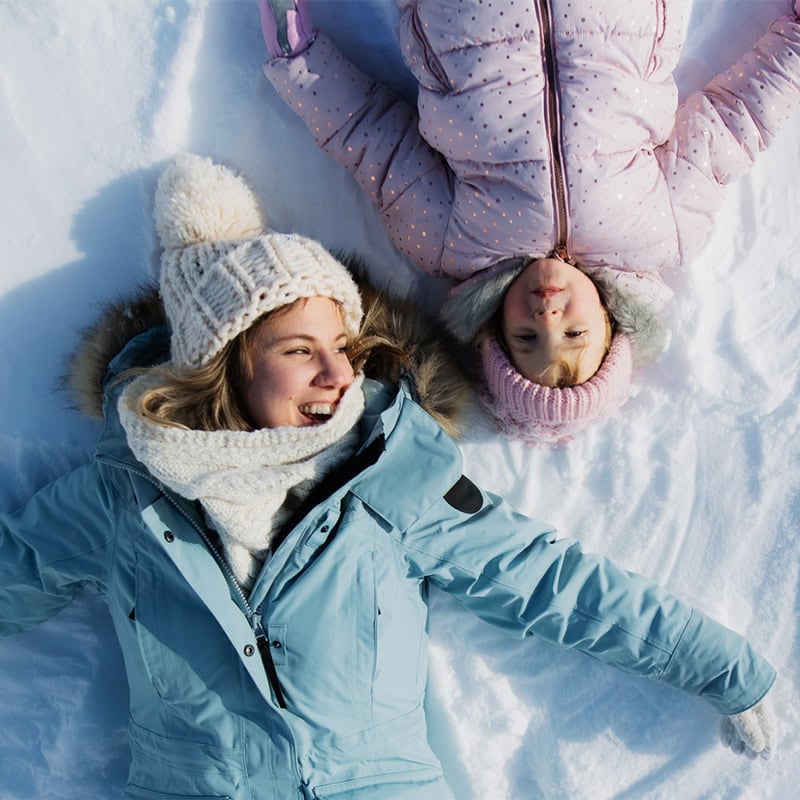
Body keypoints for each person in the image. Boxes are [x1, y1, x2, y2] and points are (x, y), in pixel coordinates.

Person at [0, 154, 777, 799]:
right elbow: (15, 574)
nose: (339, 375)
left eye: (342, 347)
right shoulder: (122, 495)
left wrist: (725, 669)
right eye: (300, 350)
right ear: (225, 364)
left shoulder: (392, 474)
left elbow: (549, 583)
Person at [258, 0, 800, 444]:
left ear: (494, 329)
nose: (547, 313)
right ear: (611, 328)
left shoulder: (452, 244)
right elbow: (732, 125)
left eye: (526, 335)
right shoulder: (662, 232)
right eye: (573, 332)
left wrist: (301, 62)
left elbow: (374, 143)